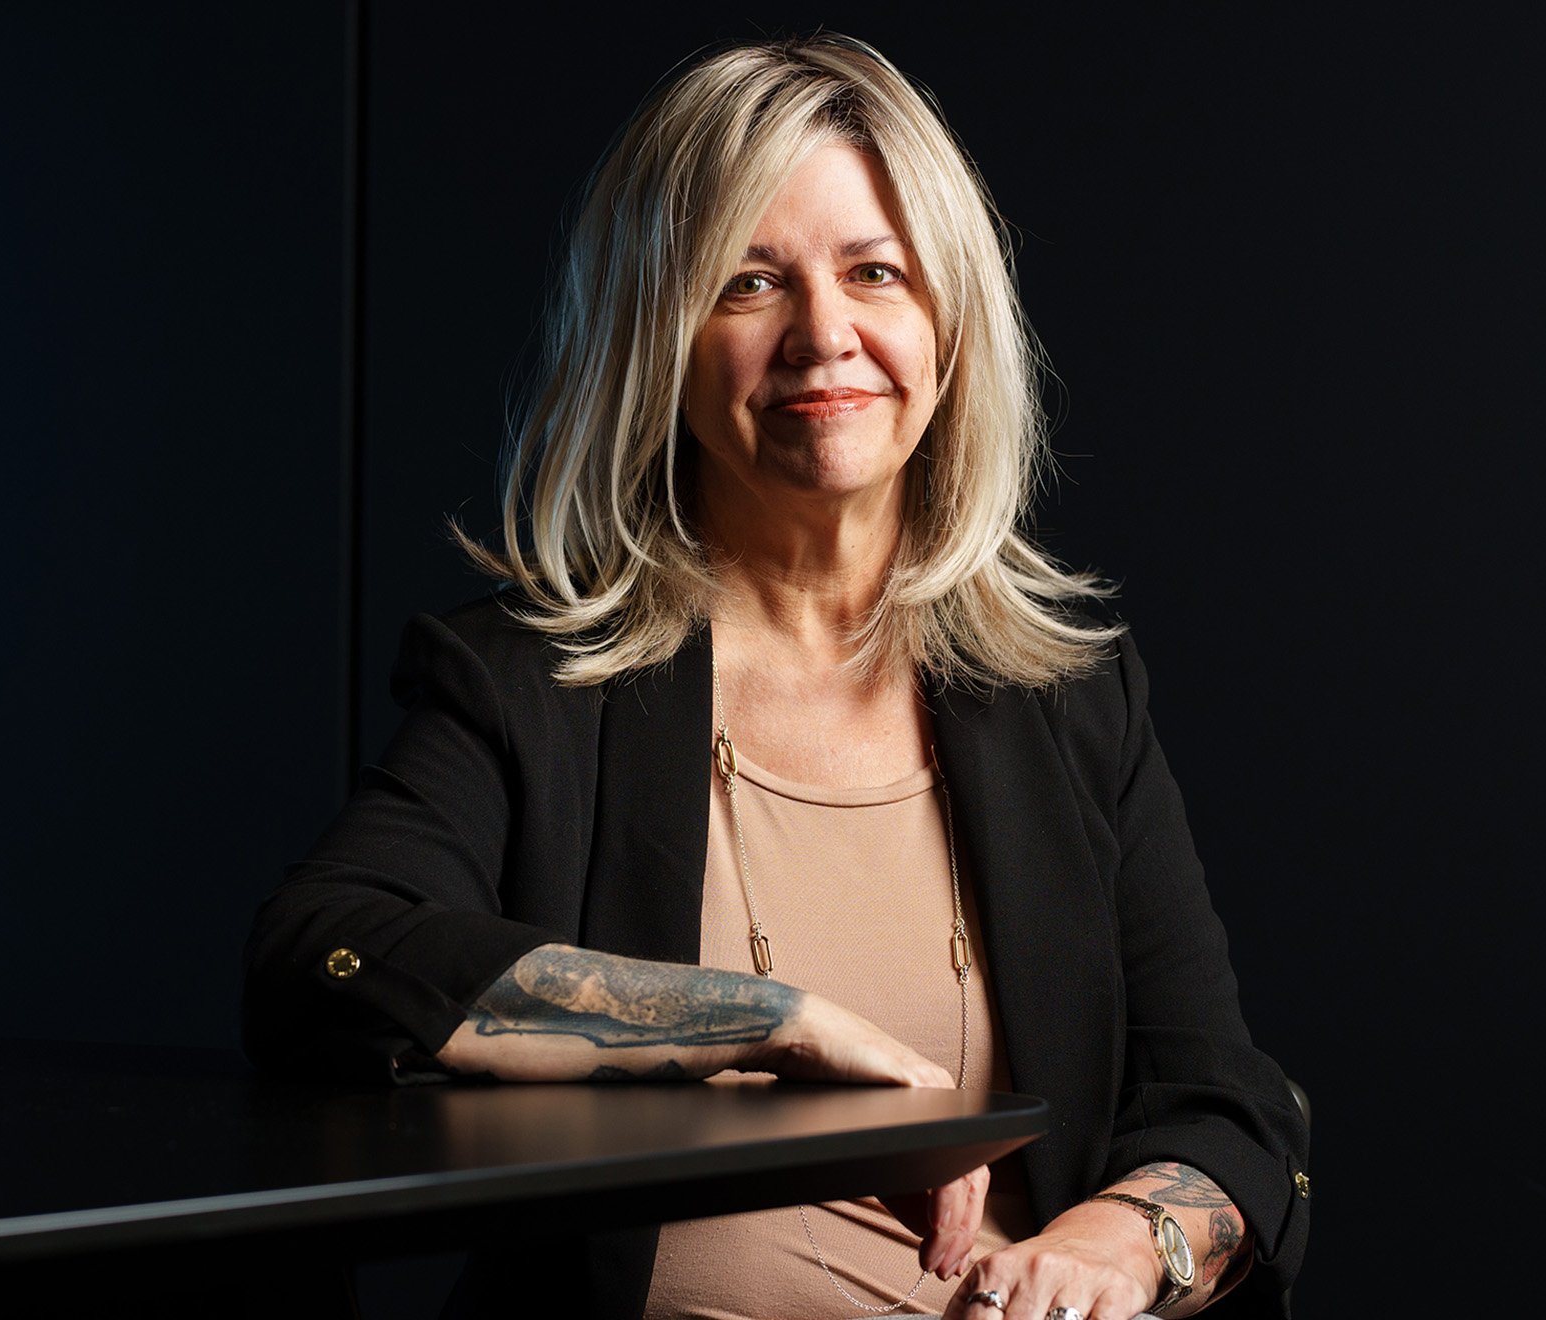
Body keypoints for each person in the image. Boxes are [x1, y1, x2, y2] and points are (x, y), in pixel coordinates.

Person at [243, 33, 1309, 1320]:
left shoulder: (1070, 693)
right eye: (746, 283)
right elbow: (326, 954)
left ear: (947, 323)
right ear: (657, 338)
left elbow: (1224, 1103)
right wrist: (766, 1019)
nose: (824, 336)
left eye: (875, 272)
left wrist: (1118, 1247)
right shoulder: (527, 680)